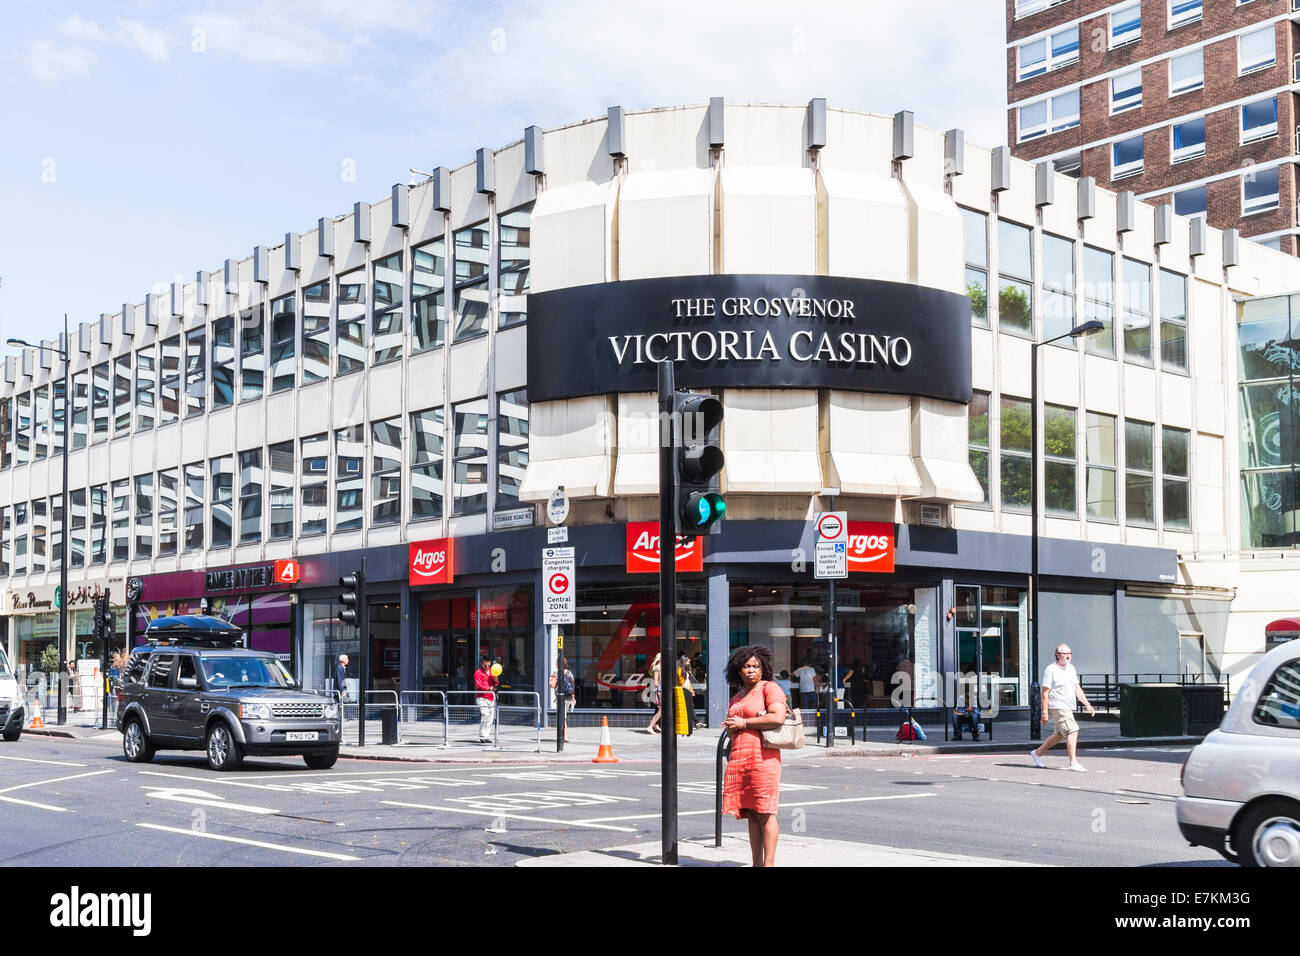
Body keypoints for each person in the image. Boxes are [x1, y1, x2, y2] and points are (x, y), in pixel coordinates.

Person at [721, 645, 788, 867]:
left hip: (763, 759)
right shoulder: (737, 696)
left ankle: (768, 864)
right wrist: (731, 727)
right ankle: (756, 863)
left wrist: (744, 722)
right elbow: (733, 729)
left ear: (763, 668)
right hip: (740, 758)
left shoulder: (770, 688)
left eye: (756, 666)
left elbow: (777, 717)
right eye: (746, 666)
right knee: (750, 813)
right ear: (738, 670)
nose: (751, 670)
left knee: (765, 811)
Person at [1030, 643, 1096, 771]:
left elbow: (1077, 688)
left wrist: (1087, 703)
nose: (1067, 656)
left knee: (1059, 735)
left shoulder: (1071, 668)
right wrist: (1044, 712)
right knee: (1072, 730)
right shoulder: (1051, 670)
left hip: (1068, 705)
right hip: (1058, 705)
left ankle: (1037, 753)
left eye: (1069, 654)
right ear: (1057, 655)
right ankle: (1073, 763)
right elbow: (1044, 692)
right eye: (1064, 654)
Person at [548, 657, 576, 742]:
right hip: (568, 697)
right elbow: (572, 686)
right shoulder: (569, 673)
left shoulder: (556, 673)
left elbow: (552, 685)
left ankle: (565, 736)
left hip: (560, 698)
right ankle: (563, 735)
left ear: (557, 664)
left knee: (562, 717)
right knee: (563, 716)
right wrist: (573, 698)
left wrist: (550, 679)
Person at [474, 656, 498, 743]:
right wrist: (488, 688)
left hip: (491, 697)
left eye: (489, 665)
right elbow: (478, 685)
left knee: (491, 717)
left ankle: (486, 735)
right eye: (485, 665)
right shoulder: (478, 673)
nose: (487, 667)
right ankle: (482, 735)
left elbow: (496, 684)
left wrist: (496, 681)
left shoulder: (492, 672)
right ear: (482, 664)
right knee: (485, 715)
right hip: (482, 697)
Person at [677, 653, 696, 735]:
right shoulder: (680, 670)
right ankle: (695, 722)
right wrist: (688, 690)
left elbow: (689, 682)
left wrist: (691, 690)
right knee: (689, 707)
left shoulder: (687, 670)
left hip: (688, 690)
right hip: (684, 691)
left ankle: (693, 723)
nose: (689, 663)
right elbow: (681, 683)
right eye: (688, 662)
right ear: (684, 662)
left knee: (691, 706)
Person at [646, 653, 663, 733]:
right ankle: (651, 726)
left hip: (659, 690)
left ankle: (655, 725)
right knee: (660, 710)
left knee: (659, 710)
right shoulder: (657, 667)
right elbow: (656, 681)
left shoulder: (659, 667)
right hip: (659, 690)